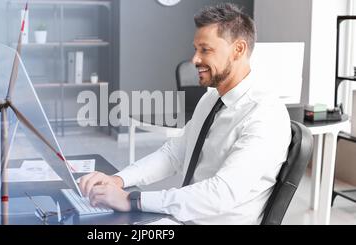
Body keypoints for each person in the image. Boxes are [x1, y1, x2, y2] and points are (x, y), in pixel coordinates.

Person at [78, 3, 291, 225]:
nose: (194, 59)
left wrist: (132, 200)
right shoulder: (210, 99)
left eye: (205, 50)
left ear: (238, 49)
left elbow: (221, 193)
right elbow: (173, 154)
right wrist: (118, 180)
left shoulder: (266, 115)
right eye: (196, 49)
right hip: (183, 217)